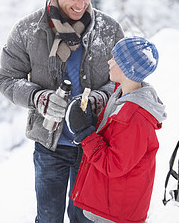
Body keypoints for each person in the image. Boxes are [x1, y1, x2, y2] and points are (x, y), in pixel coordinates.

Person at [0, 0, 124, 223]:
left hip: (95, 144)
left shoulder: (109, 29)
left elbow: (123, 81)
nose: (81, 5)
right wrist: (37, 97)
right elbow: (7, 78)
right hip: (49, 145)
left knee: (85, 218)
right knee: (49, 218)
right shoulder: (28, 31)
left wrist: (102, 97)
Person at [66, 36, 167, 223]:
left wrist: (85, 134)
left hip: (114, 214)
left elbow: (114, 164)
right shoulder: (121, 94)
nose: (109, 61)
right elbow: (113, 137)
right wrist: (91, 122)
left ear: (128, 68)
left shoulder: (136, 116)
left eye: (115, 58)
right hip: (104, 202)